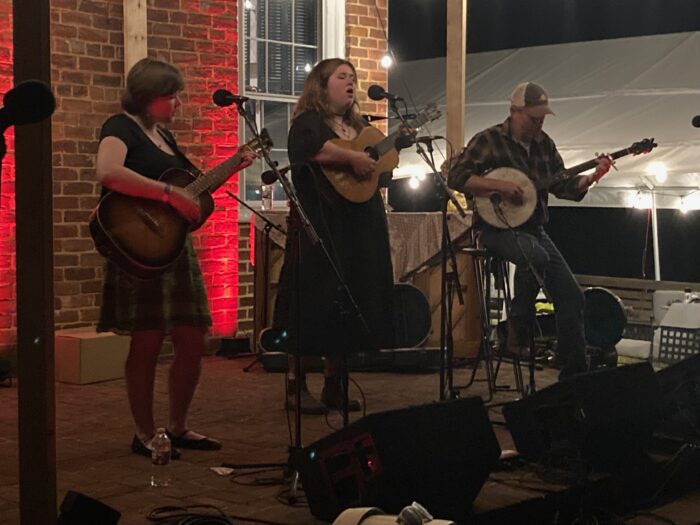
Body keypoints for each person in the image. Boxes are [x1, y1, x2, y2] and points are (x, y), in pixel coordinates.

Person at [95, 58, 257, 457]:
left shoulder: (165, 138)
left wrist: (235, 164)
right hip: (140, 249)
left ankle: (178, 426)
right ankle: (144, 432)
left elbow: (192, 189)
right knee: (147, 343)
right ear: (147, 97)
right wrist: (167, 195)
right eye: (171, 96)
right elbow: (108, 172)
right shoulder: (120, 127)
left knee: (191, 338)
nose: (178, 102)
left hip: (173, 249)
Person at [447, 82, 611, 380]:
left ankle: (573, 375)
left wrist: (590, 179)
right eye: (534, 117)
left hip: (534, 229)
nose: (539, 123)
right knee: (534, 256)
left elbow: (563, 185)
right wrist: (499, 186)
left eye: (543, 117)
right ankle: (515, 334)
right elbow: (456, 176)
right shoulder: (489, 140)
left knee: (573, 297)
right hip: (495, 228)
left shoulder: (544, 145)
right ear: (514, 112)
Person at [272, 58, 395, 413]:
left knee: (353, 295)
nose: (351, 82)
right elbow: (314, 150)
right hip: (323, 224)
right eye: (342, 76)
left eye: (353, 77)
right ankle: (296, 387)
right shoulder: (308, 123)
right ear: (321, 85)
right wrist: (351, 159)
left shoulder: (360, 127)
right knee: (313, 300)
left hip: (359, 223)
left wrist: (382, 159)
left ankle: (335, 384)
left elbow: (378, 168)